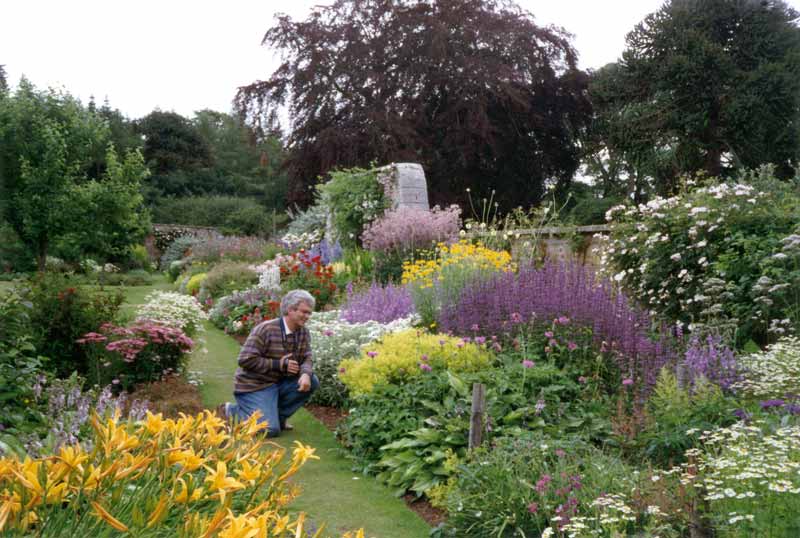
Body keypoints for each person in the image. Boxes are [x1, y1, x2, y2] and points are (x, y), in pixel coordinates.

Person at [217, 289, 319, 436]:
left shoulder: (303, 332)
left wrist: (305, 374)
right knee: (268, 430)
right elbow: (245, 359)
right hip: (255, 385)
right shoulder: (266, 329)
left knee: (312, 380)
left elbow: (307, 357)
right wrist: (278, 364)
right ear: (290, 309)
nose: (307, 316)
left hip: (278, 384)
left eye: (309, 313)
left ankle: (278, 418)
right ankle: (230, 411)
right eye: (304, 312)